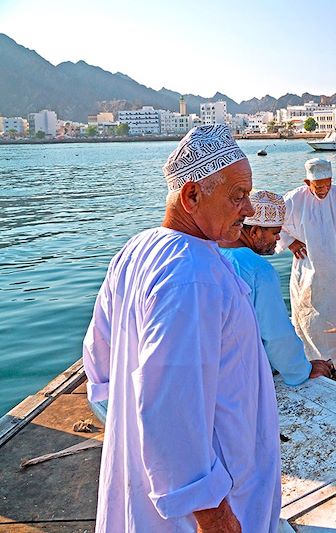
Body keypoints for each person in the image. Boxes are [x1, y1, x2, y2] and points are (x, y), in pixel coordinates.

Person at [82, 125, 281, 532]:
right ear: (191, 196)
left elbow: (98, 359)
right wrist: (209, 509)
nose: (247, 209)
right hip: (203, 505)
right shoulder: (193, 275)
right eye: (237, 195)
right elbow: (168, 401)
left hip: (151, 480)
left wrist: (129, 433)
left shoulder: (138, 248)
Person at [219, 190, 333, 385]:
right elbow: (276, 335)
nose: (279, 239)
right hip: (244, 378)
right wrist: (301, 370)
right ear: (254, 231)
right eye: (275, 232)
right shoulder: (258, 269)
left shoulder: (211, 253)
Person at [279, 158, 336, 372]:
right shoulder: (293, 198)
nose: (324, 190)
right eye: (319, 186)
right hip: (307, 264)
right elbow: (274, 220)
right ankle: (312, 361)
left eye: (327, 184)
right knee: (310, 313)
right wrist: (290, 242)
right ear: (307, 183)